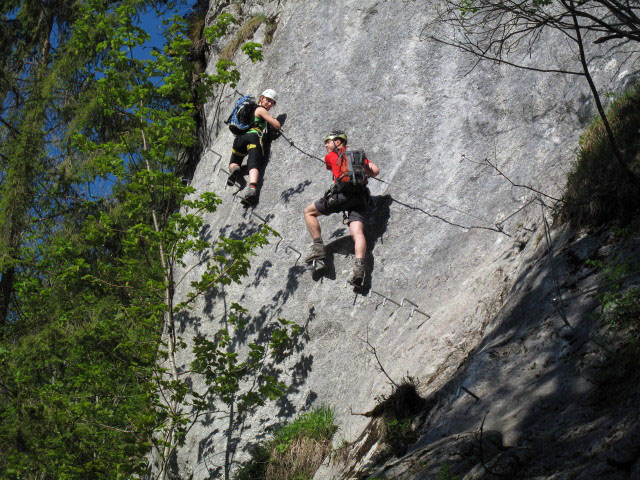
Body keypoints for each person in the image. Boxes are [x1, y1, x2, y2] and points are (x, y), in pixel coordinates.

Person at [303, 130, 380, 285]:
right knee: (357, 232)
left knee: (309, 212)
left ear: (338, 142)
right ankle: (359, 267)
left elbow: (334, 171)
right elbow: (375, 171)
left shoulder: (331, 156)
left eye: (328, 141)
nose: (326, 145)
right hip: (360, 198)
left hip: (342, 195)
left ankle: (318, 247)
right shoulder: (358, 156)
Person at [227, 89, 282, 205]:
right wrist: (275, 121)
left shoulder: (247, 110)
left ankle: (235, 170)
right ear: (261, 98)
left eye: (272, 102)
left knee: (233, 162)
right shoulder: (261, 110)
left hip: (239, 139)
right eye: (268, 100)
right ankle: (252, 189)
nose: (269, 104)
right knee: (253, 164)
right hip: (253, 137)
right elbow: (276, 125)